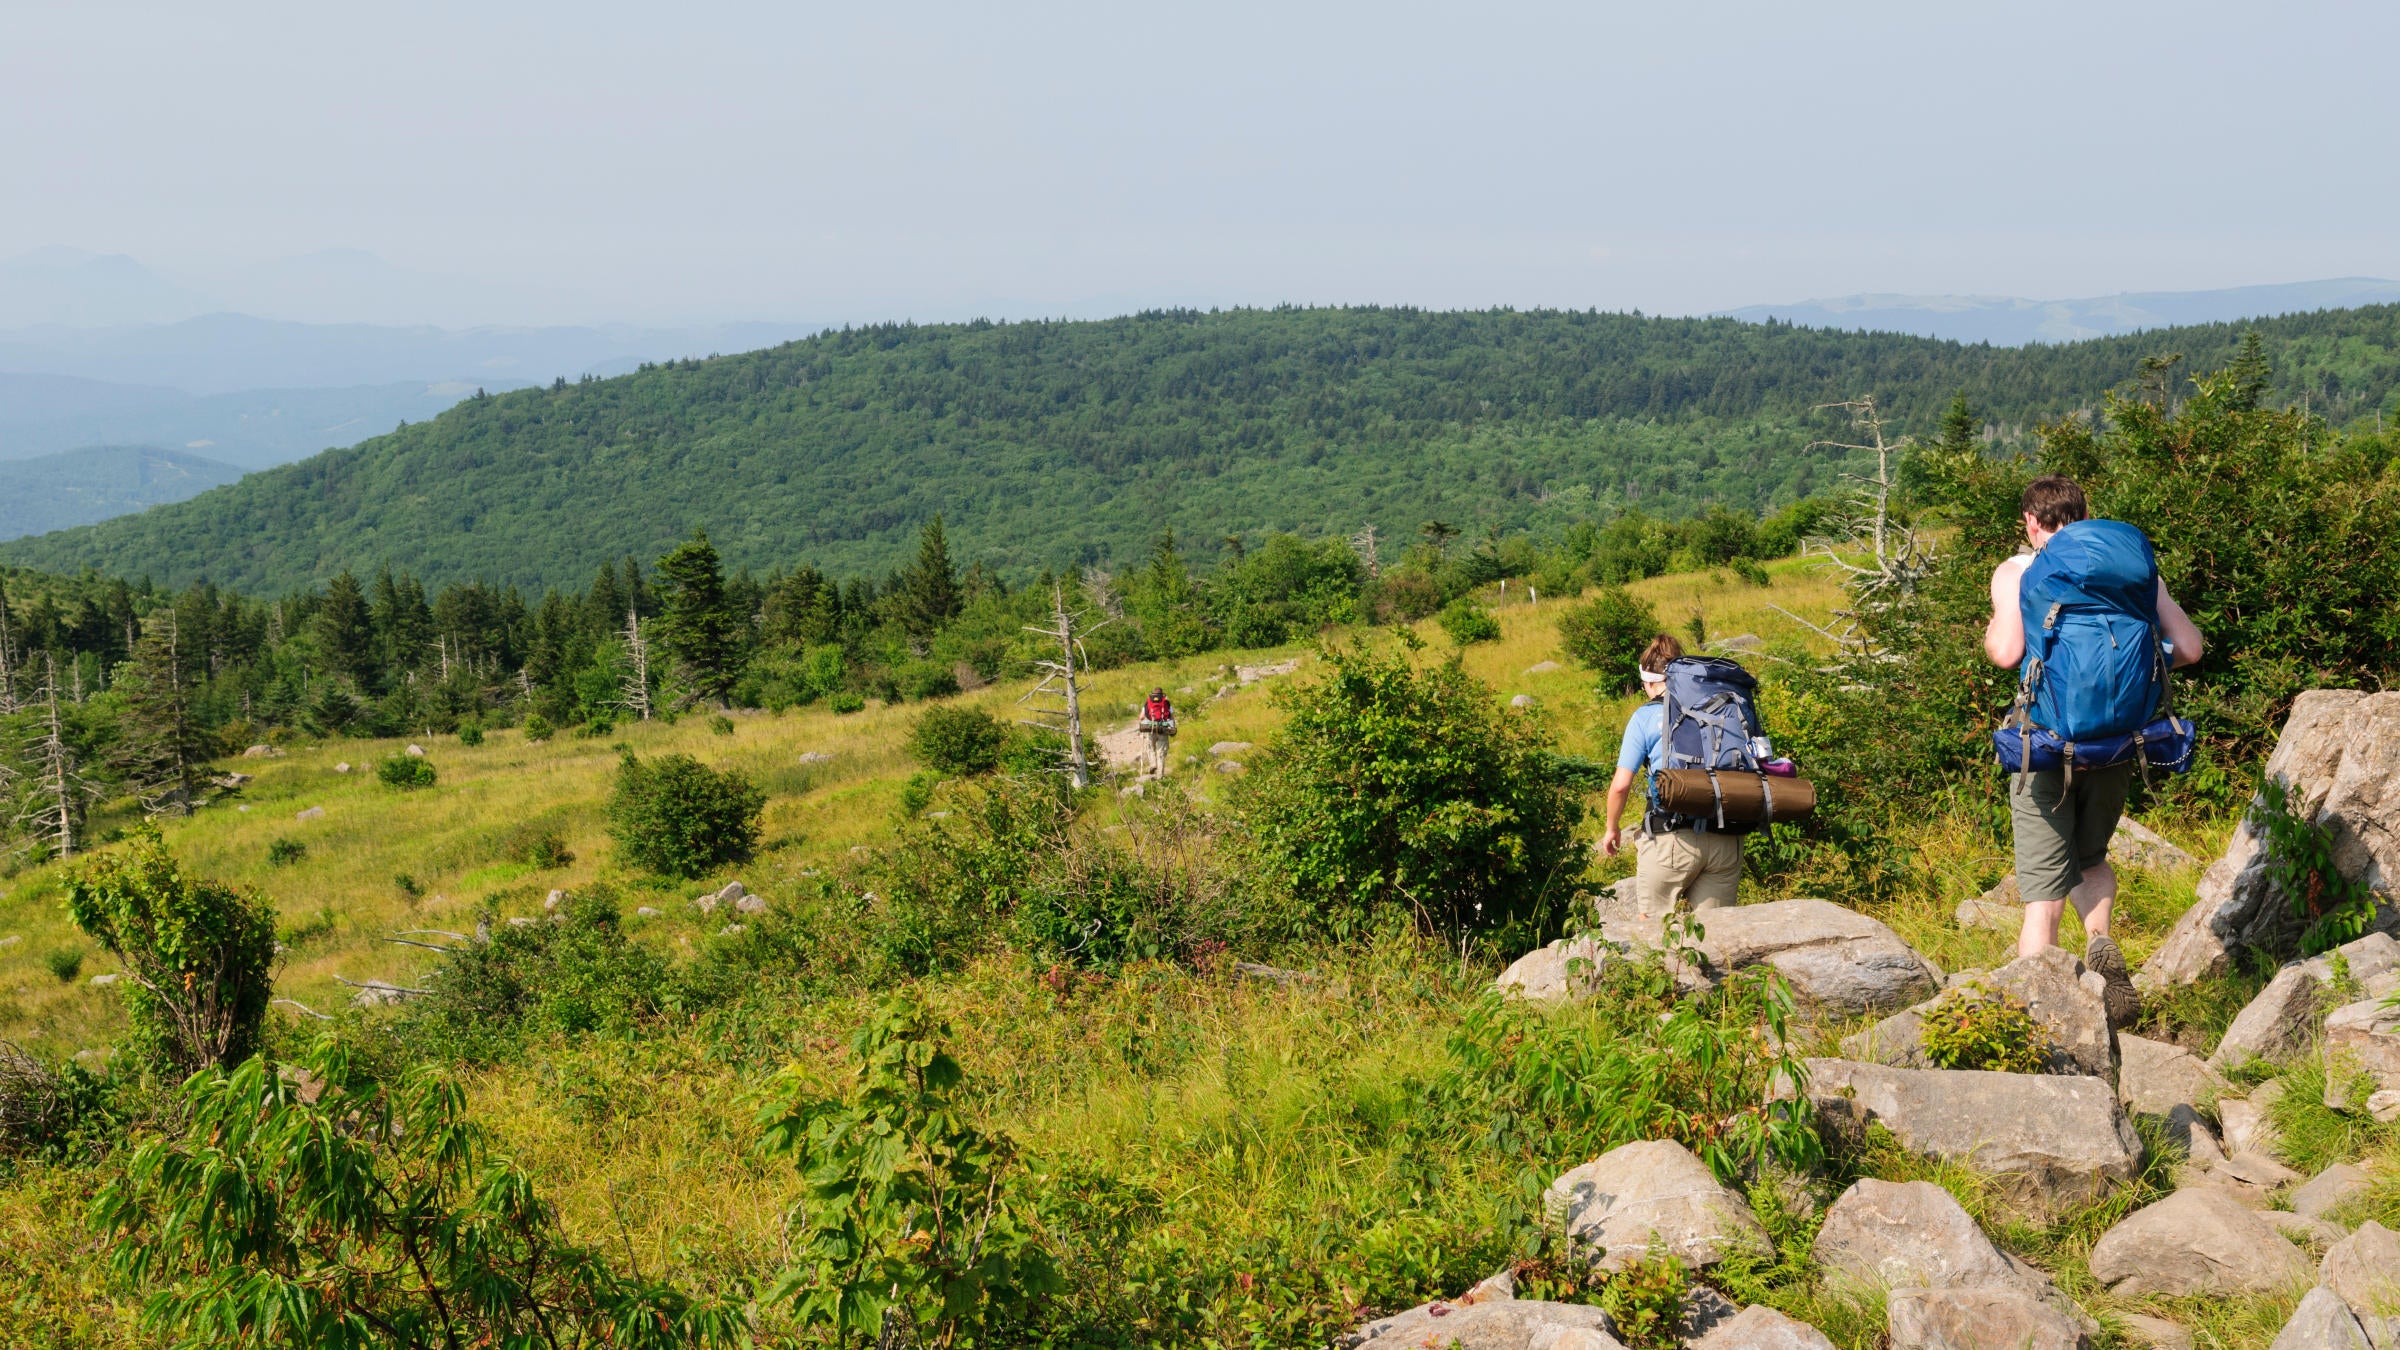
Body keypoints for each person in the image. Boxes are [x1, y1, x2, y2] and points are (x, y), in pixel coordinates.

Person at [1984, 475, 2203, 1020]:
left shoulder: (2019, 571)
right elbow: (2191, 648)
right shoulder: (2132, 569)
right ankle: (2100, 939)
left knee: (2042, 896)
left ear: (2032, 524)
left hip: (2046, 745)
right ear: (2085, 515)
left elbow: (2007, 652)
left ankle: (2036, 1021)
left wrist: (1997, 624)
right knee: (2092, 858)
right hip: (2116, 744)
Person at [1600, 635, 1742, 917]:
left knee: (1653, 938)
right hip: (1726, 837)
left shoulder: (1644, 717)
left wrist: (1611, 827)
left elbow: (1620, 786)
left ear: (1650, 682)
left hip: (1670, 840)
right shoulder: (1723, 707)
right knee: (1716, 939)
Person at [1139, 686, 1176, 778]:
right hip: (1163, 729)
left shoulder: (1148, 702)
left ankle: (1153, 764)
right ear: (1162, 694)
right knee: (1161, 752)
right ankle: (1160, 776)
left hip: (1150, 729)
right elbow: (1171, 717)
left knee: (1150, 748)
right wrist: (1172, 727)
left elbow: (1141, 717)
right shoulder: (1166, 702)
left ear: (1153, 693)